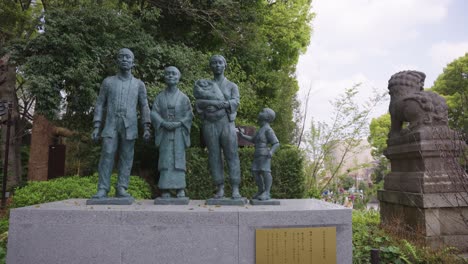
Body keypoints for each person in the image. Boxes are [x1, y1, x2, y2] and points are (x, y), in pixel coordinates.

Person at [91, 48, 151, 199]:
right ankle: (103, 188)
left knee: (127, 157)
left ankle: (122, 188)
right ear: (117, 61)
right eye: (121, 57)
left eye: (128, 57)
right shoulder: (108, 82)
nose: (124, 59)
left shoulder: (139, 84)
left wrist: (146, 126)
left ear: (133, 62)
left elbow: (144, 105)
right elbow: (99, 104)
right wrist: (97, 125)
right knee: (107, 154)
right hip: (111, 123)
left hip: (129, 125)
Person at [194, 55, 241, 199]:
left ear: (225, 65)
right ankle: (219, 187)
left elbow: (236, 102)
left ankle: (235, 188)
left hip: (226, 123)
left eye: (220, 62)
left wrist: (226, 104)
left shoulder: (232, 85)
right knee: (214, 156)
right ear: (211, 66)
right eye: (214, 63)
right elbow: (198, 103)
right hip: (210, 123)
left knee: (231, 155)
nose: (217, 65)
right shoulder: (206, 84)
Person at [151, 66, 193, 198]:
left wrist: (180, 123)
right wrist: (163, 123)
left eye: (173, 74)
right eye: (168, 74)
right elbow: (153, 113)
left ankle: (180, 188)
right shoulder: (159, 97)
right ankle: (165, 189)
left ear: (178, 77)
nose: (170, 76)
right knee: (165, 160)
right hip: (164, 133)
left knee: (179, 160)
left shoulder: (184, 98)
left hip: (179, 132)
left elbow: (189, 114)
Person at [238, 108, 279, 200]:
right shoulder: (261, 129)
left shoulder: (268, 130)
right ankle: (261, 190)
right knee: (255, 172)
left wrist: (271, 151)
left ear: (267, 117)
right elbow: (253, 139)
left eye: (263, 111)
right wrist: (242, 135)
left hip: (264, 155)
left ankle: (267, 192)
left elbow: (276, 143)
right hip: (257, 154)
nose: (260, 112)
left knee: (265, 172)